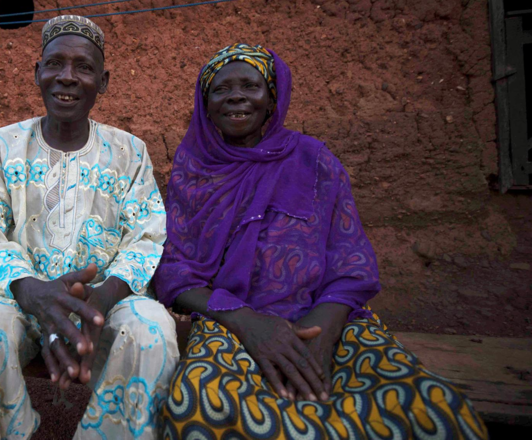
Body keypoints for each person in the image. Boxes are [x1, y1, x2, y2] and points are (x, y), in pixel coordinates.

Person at [154, 44, 488, 439]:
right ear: (205, 104)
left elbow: (351, 261)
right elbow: (172, 272)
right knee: (198, 408)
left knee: (428, 406)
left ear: (272, 99)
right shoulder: (192, 173)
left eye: (251, 85)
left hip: (325, 318)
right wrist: (248, 323)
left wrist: (322, 332)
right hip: (231, 324)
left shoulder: (314, 160)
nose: (237, 96)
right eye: (221, 89)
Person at [0, 15, 179, 440]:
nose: (68, 77)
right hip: (15, 294)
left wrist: (94, 306)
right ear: (37, 72)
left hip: (106, 298)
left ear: (104, 80)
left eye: (84, 67)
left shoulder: (130, 151)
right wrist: (34, 293)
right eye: (55, 63)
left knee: (152, 331)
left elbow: (147, 236)